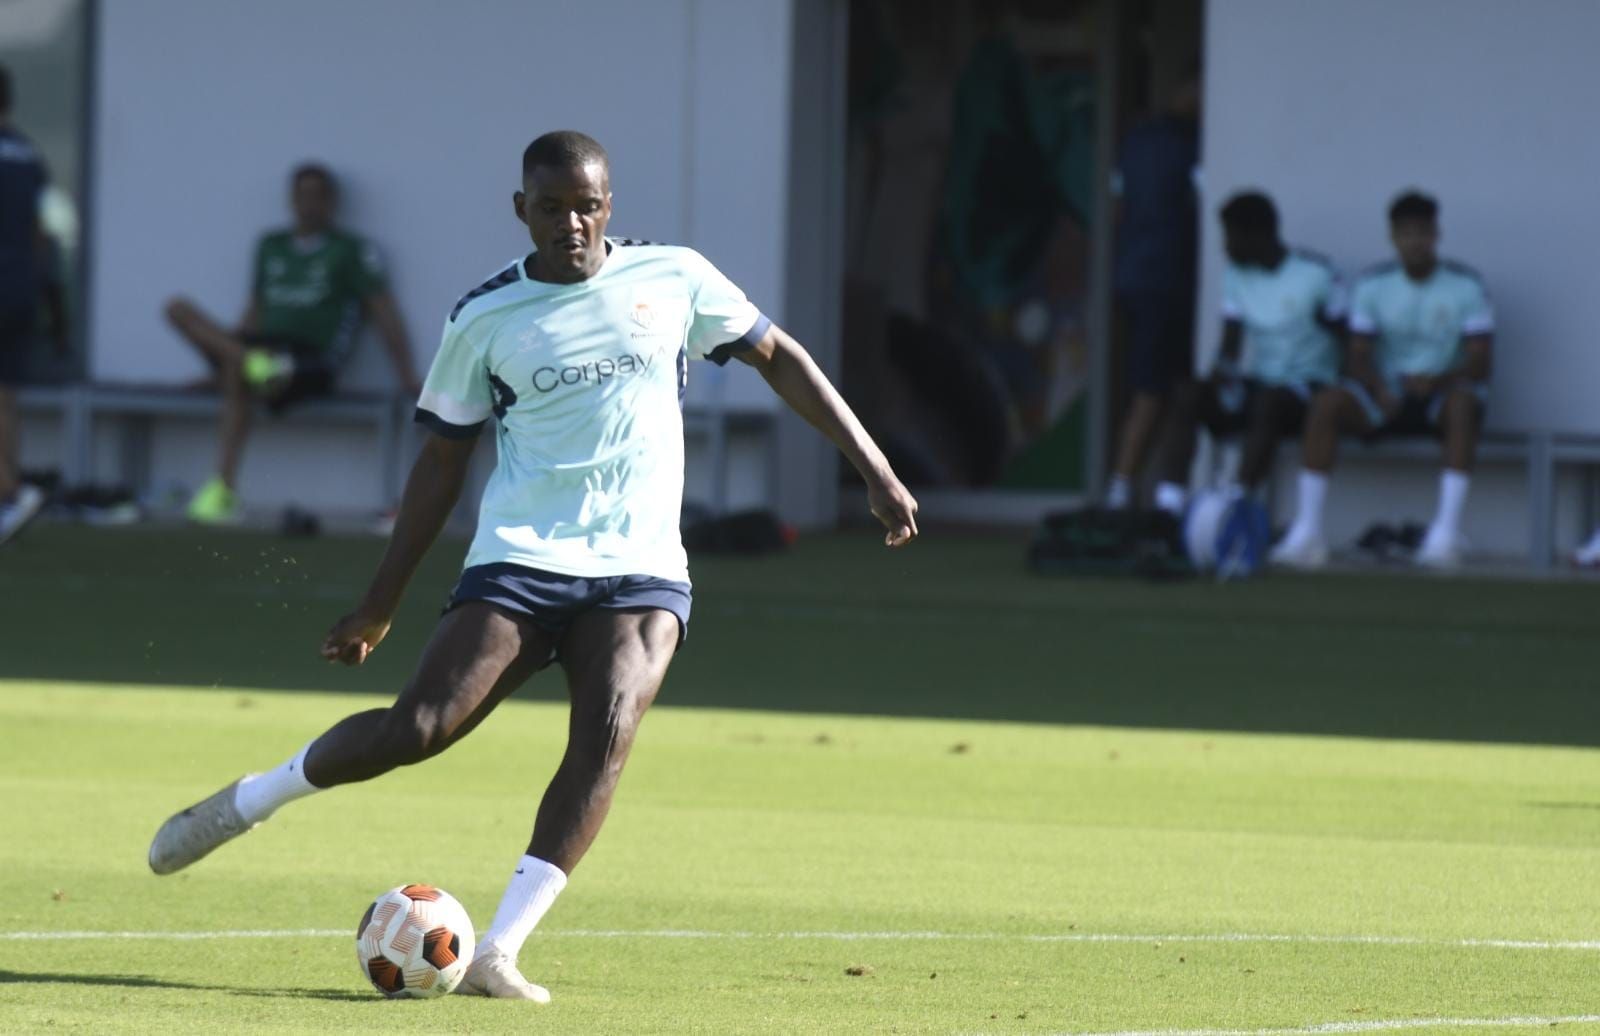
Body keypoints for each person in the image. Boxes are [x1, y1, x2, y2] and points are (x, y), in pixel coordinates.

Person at [147, 131, 920, 1001]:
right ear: (523, 210)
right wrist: (380, 601)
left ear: (609, 206)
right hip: (521, 559)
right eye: (552, 208)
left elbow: (781, 358)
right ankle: (252, 800)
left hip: (641, 569)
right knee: (420, 728)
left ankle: (498, 951)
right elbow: (442, 462)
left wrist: (874, 468)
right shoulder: (484, 317)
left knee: (608, 732)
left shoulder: (675, 277)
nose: (571, 224)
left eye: (587, 206)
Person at [164, 163, 421, 524]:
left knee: (238, 371)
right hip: (263, 349)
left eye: (318, 196)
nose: (309, 204)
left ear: (332, 201)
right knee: (177, 308)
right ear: (291, 200)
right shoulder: (270, 246)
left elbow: (384, 312)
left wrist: (407, 374)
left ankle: (223, 489)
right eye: (302, 195)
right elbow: (254, 310)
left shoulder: (351, 250)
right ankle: (247, 361)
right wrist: (229, 358)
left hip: (312, 360)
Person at [1272, 191, 1493, 569]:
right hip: (1386, 395)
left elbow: (1480, 361)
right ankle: (1308, 530)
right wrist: (1378, 387)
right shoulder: (1373, 285)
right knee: (1326, 402)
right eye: (1406, 234)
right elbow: (1357, 355)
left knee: (1464, 404)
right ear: (1392, 237)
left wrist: (1438, 380)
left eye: (1423, 233)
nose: (1415, 242)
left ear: (1436, 234)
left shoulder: (1466, 286)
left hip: (1440, 395)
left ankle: (1445, 533)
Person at [1150, 191, 1343, 514]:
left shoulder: (1316, 275)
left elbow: (1348, 338)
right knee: (1188, 392)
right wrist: (1217, 383)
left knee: (1269, 400)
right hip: (1262, 383)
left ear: (1258, 235)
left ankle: (1236, 501)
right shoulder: (1235, 276)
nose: (1225, 246)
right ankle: (1169, 505)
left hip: (1307, 389)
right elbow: (1231, 344)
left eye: (1230, 236)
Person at [1104, 71, 1201, 509]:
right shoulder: (1182, 142)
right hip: (1163, 281)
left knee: (1170, 388)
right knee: (1155, 388)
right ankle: (1121, 491)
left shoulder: (1138, 139)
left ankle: (1162, 494)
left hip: (1138, 278)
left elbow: (1118, 209)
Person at [0, 65, 65, 547]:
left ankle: (11, 490)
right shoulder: (28, 153)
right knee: (5, 393)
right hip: (21, 287)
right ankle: (9, 498)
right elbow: (44, 233)